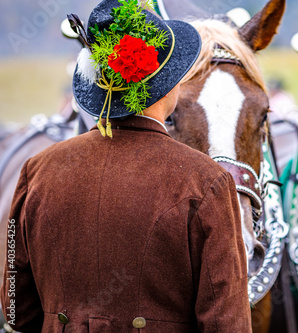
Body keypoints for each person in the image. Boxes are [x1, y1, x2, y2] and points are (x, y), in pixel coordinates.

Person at [1, 0, 251, 332]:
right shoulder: (208, 183)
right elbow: (227, 324)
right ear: (169, 86)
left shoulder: (37, 171)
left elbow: (16, 309)